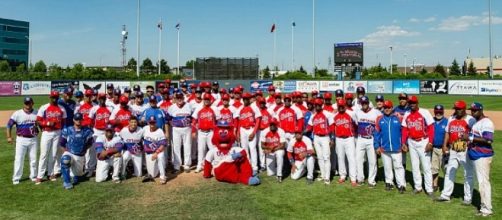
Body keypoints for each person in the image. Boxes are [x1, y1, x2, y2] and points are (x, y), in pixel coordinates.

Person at [436, 101, 475, 204]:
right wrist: (444, 145)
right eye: (456, 109)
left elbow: (475, 134)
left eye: (459, 109)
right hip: (453, 149)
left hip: (465, 150)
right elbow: (447, 132)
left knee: (468, 174)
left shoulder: (470, 120)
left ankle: (468, 198)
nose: (457, 111)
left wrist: (469, 143)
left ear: (464, 109)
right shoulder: (451, 118)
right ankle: (445, 195)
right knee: (449, 171)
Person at [203, 120, 260, 186]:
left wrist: (241, 155)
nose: (223, 135)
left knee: (241, 156)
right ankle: (246, 179)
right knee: (232, 158)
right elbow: (207, 161)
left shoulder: (233, 148)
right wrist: (207, 174)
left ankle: (248, 174)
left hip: (232, 170)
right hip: (219, 171)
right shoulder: (213, 150)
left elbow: (244, 152)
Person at [401, 95, 435, 198]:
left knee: (426, 167)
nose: (412, 104)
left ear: (417, 103)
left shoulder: (424, 112)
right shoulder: (407, 113)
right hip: (411, 142)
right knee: (415, 166)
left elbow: (431, 128)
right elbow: (404, 129)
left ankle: (429, 189)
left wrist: (430, 143)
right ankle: (418, 187)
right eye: (410, 103)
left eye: (414, 103)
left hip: (423, 141)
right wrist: (403, 142)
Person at [466, 102, 494, 217]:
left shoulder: (486, 123)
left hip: (482, 157)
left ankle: (487, 209)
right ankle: (484, 207)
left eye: (475, 110)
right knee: (481, 182)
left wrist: (470, 138)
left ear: (481, 110)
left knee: (483, 183)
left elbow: (488, 140)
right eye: (471, 110)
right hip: (476, 155)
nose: (472, 112)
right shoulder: (477, 122)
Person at [36, 90, 67, 184]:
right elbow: (38, 121)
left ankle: (51, 173)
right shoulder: (44, 107)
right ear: (50, 97)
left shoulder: (62, 108)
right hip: (47, 133)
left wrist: (63, 133)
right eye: (53, 97)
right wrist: (47, 123)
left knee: (53, 154)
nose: (54, 99)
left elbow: (64, 123)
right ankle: (40, 176)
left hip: (57, 132)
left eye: (56, 97)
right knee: (44, 154)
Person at [374, 100, 406, 193]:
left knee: (398, 167)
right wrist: (376, 146)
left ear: (392, 108)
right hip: (384, 148)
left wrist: (404, 143)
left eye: (388, 107)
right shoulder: (379, 119)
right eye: (385, 108)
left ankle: (401, 184)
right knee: (387, 167)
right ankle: (389, 183)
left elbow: (403, 132)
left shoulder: (399, 118)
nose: (387, 109)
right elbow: (376, 134)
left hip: (397, 148)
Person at [7, 97, 39, 185]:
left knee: (33, 159)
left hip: (33, 139)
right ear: (23, 104)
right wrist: (9, 137)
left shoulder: (37, 112)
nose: (28, 105)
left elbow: (41, 124)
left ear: (33, 103)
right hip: (21, 139)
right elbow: (9, 125)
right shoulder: (17, 113)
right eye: (26, 103)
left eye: (29, 103)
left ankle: (33, 176)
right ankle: (16, 178)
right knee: (19, 159)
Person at [59, 113, 94, 189]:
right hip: (70, 152)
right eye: (77, 119)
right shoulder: (67, 130)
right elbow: (62, 143)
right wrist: (65, 153)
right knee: (65, 160)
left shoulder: (87, 131)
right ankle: (67, 182)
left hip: (80, 156)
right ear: (73, 120)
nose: (78, 121)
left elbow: (90, 142)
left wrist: (84, 149)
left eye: (80, 119)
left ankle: (75, 175)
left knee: (77, 177)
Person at [354, 96, 382, 187]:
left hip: (371, 139)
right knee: (358, 159)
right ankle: (360, 179)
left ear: (368, 103)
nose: (364, 104)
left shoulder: (376, 112)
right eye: (362, 103)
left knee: (372, 161)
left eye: (365, 102)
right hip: (361, 138)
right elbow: (355, 125)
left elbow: (379, 127)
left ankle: (371, 181)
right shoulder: (358, 113)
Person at [306, 98, 335, 185]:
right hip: (316, 137)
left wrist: (332, 138)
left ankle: (327, 177)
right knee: (320, 157)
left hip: (325, 137)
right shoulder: (313, 115)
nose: (317, 106)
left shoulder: (327, 114)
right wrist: (300, 132)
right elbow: (309, 127)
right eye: (316, 105)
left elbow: (332, 127)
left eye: (319, 105)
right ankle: (323, 175)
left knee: (326, 157)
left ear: (321, 105)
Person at [234, 92, 262, 173]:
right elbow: (238, 121)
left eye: (247, 99)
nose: (245, 100)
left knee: (252, 149)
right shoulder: (240, 109)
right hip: (243, 129)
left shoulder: (254, 107)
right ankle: (247, 166)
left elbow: (258, 120)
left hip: (251, 128)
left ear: (249, 99)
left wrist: (254, 132)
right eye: (244, 99)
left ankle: (255, 168)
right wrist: (238, 133)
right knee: (245, 149)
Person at [192, 93, 220, 173]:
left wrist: (217, 132)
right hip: (201, 132)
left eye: (208, 99)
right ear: (203, 100)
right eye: (205, 99)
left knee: (213, 149)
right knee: (201, 150)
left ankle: (215, 165)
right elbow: (194, 120)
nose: (207, 101)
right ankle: (199, 166)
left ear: (210, 100)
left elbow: (218, 121)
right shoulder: (199, 108)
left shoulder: (214, 108)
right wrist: (194, 131)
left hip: (211, 132)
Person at [87, 93, 113, 177]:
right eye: (100, 98)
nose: (102, 100)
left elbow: (112, 120)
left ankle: (106, 168)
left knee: (106, 149)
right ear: (98, 99)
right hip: (97, 131)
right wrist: (91, 131)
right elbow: (90, 121)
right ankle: (90, 169)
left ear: (105, 99)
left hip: (107, 132)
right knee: (93, 150)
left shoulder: (110, 108)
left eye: (103, 98)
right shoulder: (94, 108)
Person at [167, 92, 193, 173]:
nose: (179, 99)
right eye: (177, 98)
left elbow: (193, 117)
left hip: (187, 128)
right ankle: (177, 166)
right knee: (176, 147)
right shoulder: (172, 107)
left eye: (181, 97)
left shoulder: (189, 105)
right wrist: (173, 124)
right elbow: (168, 118)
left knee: (187, 146)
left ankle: (187, 165)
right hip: (176, 129)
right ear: (175, 99)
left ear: (183, 98)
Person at [333, 99, 357, 186]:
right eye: (339, 106)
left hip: (349, 138)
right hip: (339, 139)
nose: (341, 108)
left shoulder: (351, 113)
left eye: (342, 106)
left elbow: (356, 124)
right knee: (340, 157)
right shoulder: (334, 115)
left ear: (345, 106)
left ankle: (353, 178)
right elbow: (333, 128)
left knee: (351, 158)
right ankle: (342, 175)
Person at [142, 116, 168, 184]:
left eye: (153, 122)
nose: (152, 124)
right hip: (149, 152)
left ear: (156, 122)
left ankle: (163, 176)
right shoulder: (145, 129)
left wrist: (156, 153)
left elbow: (163, 144)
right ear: (148, 122)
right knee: (153, 175)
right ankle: (157, 168)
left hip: (158, 151)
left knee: (161, 156)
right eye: (150, 122)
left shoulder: (159, 131)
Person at [259, 118, 286, 183]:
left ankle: (279, 175)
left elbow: (283, 145)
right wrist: (267, 148)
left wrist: (273, 149)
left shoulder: (281, 131)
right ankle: (279, 168)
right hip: (269, 150)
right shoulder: (264, 131)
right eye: (271, 125)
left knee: (279, 155)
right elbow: (262, 145)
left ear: (276, 124)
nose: (272, 126)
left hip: (278, 149)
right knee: (270, 173)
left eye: (274, 124)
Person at [430, 104, 448, 192]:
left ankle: (447, 187)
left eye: (440, 112)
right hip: (433, 149)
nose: (438, 114)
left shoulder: (447, 122)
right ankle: (435, 184)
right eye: (437, 112)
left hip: (444, 149)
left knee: (445, 168)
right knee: (434, 168)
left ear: (443, 112)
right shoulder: (431, 121)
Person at [256, 97, 274, 172]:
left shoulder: (269, 110)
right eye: (260, 103)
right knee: (261, 148)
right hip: (259, 131)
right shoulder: (257, 111)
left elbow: (274, 119)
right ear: (259, 104)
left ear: (265, 103)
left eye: (263, 103)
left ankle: (270, 163)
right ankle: (262, 165)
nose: (262, 104)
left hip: (267, 130)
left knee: (269, 146)